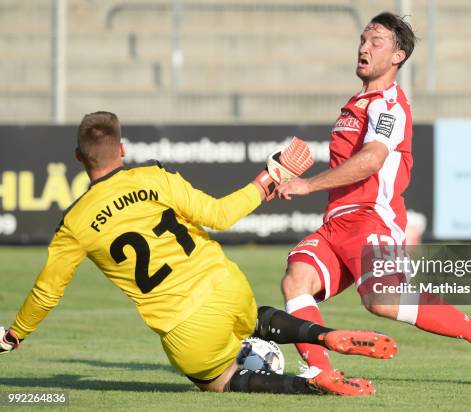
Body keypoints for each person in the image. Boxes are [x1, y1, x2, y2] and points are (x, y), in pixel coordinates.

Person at [0, 111, 399, 396]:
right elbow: (220, 214)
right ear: (122, 149)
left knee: (215, 379)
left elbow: (46, 292)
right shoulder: (155, 178)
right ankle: (325, 336)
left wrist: (15, 334)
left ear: (78, 158)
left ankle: (309, 384)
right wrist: (267, 179)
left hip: (186, 327)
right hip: (229, 288)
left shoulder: (76, 222)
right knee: (253, 320)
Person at [276, 12, 471, 386]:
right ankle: (323, 373)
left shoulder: (388, 104)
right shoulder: (358, 101)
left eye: (376, 42)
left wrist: (307, 185)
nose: (364, 47)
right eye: (363, 39)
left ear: (398, 56)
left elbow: (373, 159)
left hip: (372, 218)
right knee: (296, 281)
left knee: (382, 302)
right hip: (337, 223)